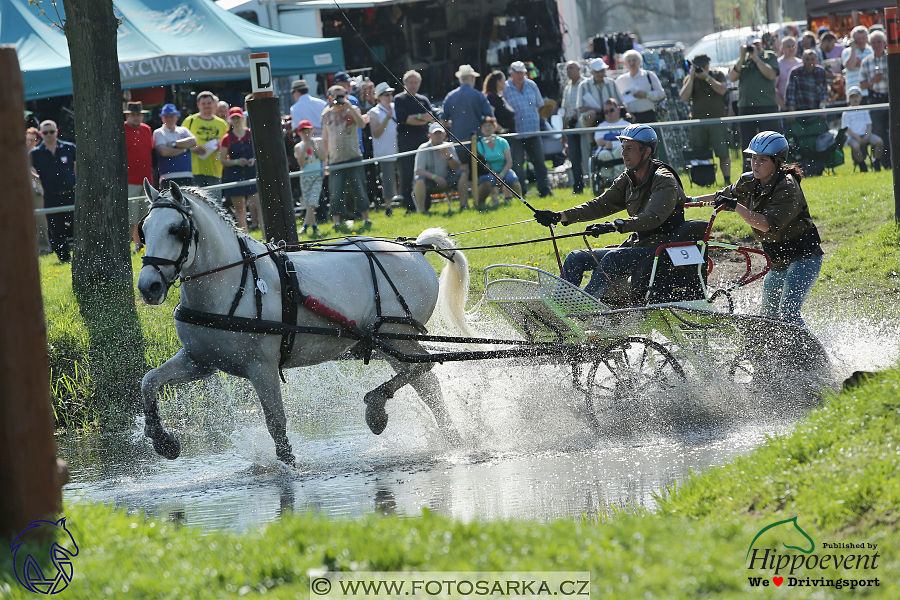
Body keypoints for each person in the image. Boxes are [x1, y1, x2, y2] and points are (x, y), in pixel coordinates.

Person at [532, 124, 687, 299]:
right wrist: (560, 216)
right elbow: (600, 204)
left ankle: (586, 307)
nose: (623, 153)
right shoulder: (628, 178)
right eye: (623, 148)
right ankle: (559, 305)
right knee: (576, 257)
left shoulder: (664, 180)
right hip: (637, 245)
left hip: (662, 249)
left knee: (612, 258)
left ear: (647, 151)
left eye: (630, 148)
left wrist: (616, 226)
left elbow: (653, 218)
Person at [695, 132, 822, 327]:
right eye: (753, 158)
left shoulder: (787, 186)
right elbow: (718, 196)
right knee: (767, 317)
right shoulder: (748, 181)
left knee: (788, 313)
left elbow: (765, 224)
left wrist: (736, 206)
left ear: (777, 162)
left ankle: (813, 356)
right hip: (778, 261)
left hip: (804, 257)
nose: (755, 164)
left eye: (762, 160)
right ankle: (771, 356)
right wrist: (686, 202)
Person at [322, 84, 371, 228]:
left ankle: (366, 219)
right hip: (335, 160)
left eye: (341, 95)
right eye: (335, 95)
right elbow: (325, 138)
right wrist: (325, 160)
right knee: (335, 192)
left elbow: (362, 124)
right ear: (330, 98)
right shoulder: (326, 114)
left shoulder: (353, 109)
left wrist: (349, 107)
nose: (338, 99)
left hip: (353, 156)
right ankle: (336, 223)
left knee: (360, 189)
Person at [679, 52, 731, 185]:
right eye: (698, 66)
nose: (701, 68)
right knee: (700, 153)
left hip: (717, 120)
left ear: (708, 64)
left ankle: (727, 179)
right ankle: (704, 180)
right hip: (698, 122)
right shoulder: (690, 78)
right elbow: (684, 96)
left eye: (704, 66)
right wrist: (691, 77)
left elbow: (722, 90)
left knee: (722, 152)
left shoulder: (716, 74)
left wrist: (707, 77)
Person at [729, 36, 780, 170]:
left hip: (766, 106)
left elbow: (771, 75)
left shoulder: (768, 56)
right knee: (747, 144)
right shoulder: (743, 60)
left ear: (761, 44)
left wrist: (757, 58)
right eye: (751, 45)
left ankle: (773, 170)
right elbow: (732, 77)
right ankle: (749, 172)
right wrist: (742, 57)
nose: (754, 47)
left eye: (756, 44)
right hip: (745, 107)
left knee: (769, 142)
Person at [504, 60, 552, 197]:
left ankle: (544, 189)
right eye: (517, 73)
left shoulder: (532, 85)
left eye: (522, 73)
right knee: (517, 165)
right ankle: (521, 192)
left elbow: (539, 106)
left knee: (540, 163)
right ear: (511, 73)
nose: (520, 76)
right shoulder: (505, 88)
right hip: (516, 133)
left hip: (533, 130)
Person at [30, 120, 75, 262]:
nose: (48, 135)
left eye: (51, 131)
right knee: (56, 230)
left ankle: (82, 255)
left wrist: (78, 181)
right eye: (45, 132)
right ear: (41, 134)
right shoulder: (35, 153)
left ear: (56, 132)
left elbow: (78, 165)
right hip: (50, 196)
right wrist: (38, 181)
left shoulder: (68, 147)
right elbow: (26, 169)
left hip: (71, 194)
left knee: (78, 225)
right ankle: (64, 258)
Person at [394, 70, 437, 212]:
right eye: (410, 82)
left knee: (424, 171)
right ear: (404, 84)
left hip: (423, 139)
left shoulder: (423, 100)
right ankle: (410, 206)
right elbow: (406, 120)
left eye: (416, 82)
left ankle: (425, 204)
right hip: (407, 141)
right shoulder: (399, 99)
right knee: (407, 173)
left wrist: (416, 117)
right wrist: (421, 118)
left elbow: (431, 117)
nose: (413, 85)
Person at [576, 58, 623, 189]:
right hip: (594, 116)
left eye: (603, 71)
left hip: (611, 114)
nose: (601, 74)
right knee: (590, 114)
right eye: (598, 72)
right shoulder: (583, 85)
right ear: (591, 72)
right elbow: (580, 108)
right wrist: (600, 110)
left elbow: (620, 102)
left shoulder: (612, 83)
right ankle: (593, 143)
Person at [183, 91, 229, 201]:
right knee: (196, 205)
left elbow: (228, 146)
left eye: (209, 103)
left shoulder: (222, 124)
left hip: (215, 170)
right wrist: (193, 149)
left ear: (214, 104)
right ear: (198, 105)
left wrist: (221, 148)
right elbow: (180, 144)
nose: (206, 106)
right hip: (194, 170)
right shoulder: (189, 121)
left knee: (215, 206)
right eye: (204, 103)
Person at [413, 122, 469, 213]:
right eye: (435, 134)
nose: (438, 136)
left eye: (440, 133)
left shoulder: (449, 146)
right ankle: (422, 212)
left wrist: (448, 155)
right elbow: (418, 170)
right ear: (430, 136)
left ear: (445, 135)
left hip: (446, 179)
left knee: (463, 173)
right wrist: (435, 177)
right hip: (429, 182)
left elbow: (457, 168)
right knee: (419, 179)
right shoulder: (423, 148)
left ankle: (464, 206)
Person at [219, 107, 259, 233]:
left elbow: (259, 152)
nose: (236, 120)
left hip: (251, 173)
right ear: (230, 120)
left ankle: (266, 238)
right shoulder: (227, 138)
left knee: (259, 207)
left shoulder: (251, 133)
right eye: (233, 118)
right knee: (240, 209)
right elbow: (223, 160)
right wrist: (236, 162)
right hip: (234, 174)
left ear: (242, 118)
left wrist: (253, 159)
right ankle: (245, 238)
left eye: (238, 117)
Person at [124, 101, 154, 252]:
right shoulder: (122, 129)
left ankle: (140, 245)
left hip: (147, 180)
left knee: (145, 217)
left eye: (138, 115)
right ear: (127, 116)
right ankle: (126, 249)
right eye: (133, 115)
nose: (136, 118)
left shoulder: (147, 129)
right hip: (130, 180)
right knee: (131, 218)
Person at [859, 30, 890, 168]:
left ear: (884, 43)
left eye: (879, 42)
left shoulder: (892, 58)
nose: (877, 45)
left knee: (894, 131)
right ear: (870, 44)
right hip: (875, 100)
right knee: (880, 133)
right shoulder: (866, 62)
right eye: (873, 42)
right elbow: (862, 85)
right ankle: (884, 163)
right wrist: (872, 81)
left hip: (891, 99)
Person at [368, 81, 400, 215]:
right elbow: (376, 132)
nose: (389, 97)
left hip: (399, 148)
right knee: (388, 180)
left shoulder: (395, 107)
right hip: (385, 152)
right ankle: (388, 207)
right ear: (379, 97)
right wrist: (386, 118)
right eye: (386, 94)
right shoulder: (374, 112)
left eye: (390, 94)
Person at [475, 117, 520, 205]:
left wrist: (501, 175)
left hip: (504, 170)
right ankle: (482, 203)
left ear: (495, 127)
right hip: (488, 172)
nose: (487, 128)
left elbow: (509, 161)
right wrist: (495, 175)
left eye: (490, 125)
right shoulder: (479, 144)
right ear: (481, 129)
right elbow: (482, 164)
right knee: (488, 180)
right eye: (485, 126)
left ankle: (518, 202)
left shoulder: (503, 142)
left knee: (513, 179)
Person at [153, 103, 196, 191]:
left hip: (187, 175)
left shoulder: (183, 130)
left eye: (172, 116)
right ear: (162, 118)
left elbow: (193, 142)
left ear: (177, 116)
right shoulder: (158, 132)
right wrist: (184, 148)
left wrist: (173, 144)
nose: (169, 119)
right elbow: (164, 152)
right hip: (168, 176)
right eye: (166, 116)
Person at [294, 119, 325, 236]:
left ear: (312, 131)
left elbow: (323, 157)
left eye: (308, 131)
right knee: (308, 204)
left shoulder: (319, 141)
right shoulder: (298, 146)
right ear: (299, 133)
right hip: (305, 177)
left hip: (317, 175)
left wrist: (314, 146)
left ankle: (304, 227)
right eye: (303, 132)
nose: (306, 134)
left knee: (312, 202)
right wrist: (305, 148)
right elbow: (301, 164)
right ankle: (314, 226)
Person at [615, 50, 665, 124]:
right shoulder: (620, 80)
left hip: (648, 116)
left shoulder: (649, 75)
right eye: (629, 61)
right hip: (630, 118)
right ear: (625, 63)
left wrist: (646, 94)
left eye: (634, 60)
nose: (632, 63)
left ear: (639, 61)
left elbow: (661, 94)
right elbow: (616, 100)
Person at [841, 87, 883, 172]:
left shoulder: (864, 110)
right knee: (855, 146)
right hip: (853, 137)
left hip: (865, 135)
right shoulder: (846, 113)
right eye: (852, 97)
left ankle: (876, 162)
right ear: (849, 99)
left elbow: (869, 125)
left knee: (879, 142)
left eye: (856, 96)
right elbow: (846, 129)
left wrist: (867, 136)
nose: (855, 99)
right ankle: (862, 165)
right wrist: (857, 138)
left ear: (860, 97)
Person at [560, 61, 586, 194]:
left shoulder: (586, 84)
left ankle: (594, 182)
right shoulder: (567, 88)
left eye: (571, 68)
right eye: (567, 69)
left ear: (579, 69)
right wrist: (563, 132)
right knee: (574, 157)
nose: (569, 71)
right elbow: (565, 111)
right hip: (571, 126)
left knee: (587, 155)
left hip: (585, 125)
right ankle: (578, 186)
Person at [592, 99, 631, 184]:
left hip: (622, 149)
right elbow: (598, 141)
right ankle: (607, 179)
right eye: (606, 112)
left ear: (617, 109)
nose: (609, 113)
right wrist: (606, 143)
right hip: (606, 150)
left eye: (611, 110)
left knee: (621, 151)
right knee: (604, 155)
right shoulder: (601, 126)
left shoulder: (627, 125)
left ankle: (619, 177)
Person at [26, 126, 51, 254]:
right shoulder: (17, 153)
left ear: (37, 140)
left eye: (32, 140)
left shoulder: (39, 154)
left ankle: (44, 248)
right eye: (27, 139)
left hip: (38, 190)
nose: (29, 142)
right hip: (23, 192)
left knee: (41, 221)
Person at [785, 49, 828, 113]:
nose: (810, 62)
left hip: (816, 111)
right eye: (807, 59)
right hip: (799, 112)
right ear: (802, 59)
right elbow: (790, 94)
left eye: (812, 59)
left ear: (816, 60)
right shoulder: (795, 72)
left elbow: (824, 94)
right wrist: (791, 112)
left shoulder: (821, 72)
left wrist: (822, 108)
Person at [842, 26, 872, 101]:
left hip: (869, 92)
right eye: (858, 39)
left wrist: (860, 63)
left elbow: (872, 68)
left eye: (863, 38)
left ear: (867, 38)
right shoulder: (847, 52)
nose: (861, 41)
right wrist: (853, 49)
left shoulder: (871, 50)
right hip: (853, 93)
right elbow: (851, 66)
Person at [775, 37, 802, 111]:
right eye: (788, 46)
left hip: (801, 105)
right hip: (785, 106)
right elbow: (773, 87)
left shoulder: (801, 63)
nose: (791, 49)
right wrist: (783, 105)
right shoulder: (777, 64)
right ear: (782, 48)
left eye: (793, 46)